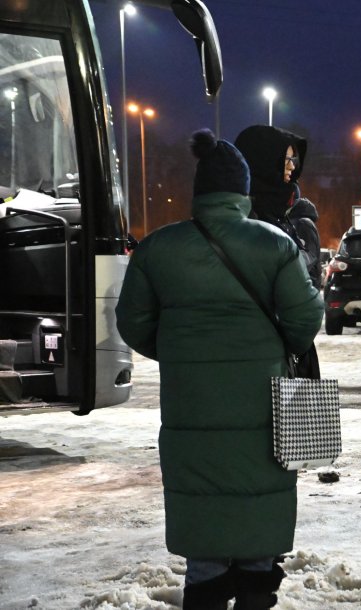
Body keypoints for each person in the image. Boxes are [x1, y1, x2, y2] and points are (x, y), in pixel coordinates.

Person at [115, 129, 324, 609]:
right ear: (243, 191)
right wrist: (274, 347)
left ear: (199, 191)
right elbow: (306, 320)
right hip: (265, 403)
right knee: (257, 523)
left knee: (204, 533)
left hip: (191, 404)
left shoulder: (157, 248)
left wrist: (180, 353)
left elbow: (133, 324)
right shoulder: (274, 244)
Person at [234, 125, 322, 290]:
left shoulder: (295, 217)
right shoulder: (241, 216)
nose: (292, 167)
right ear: (265, 162)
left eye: (293, 160)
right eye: (286, 159)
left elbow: (312, 287)